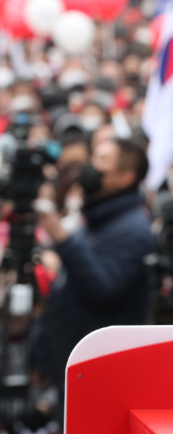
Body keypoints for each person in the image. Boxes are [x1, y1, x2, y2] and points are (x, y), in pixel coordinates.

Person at [32, 137, 154, 387]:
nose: (91, 167)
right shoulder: (98, 218)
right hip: (70, 360)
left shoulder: (133, 229)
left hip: (99, 369)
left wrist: (63, 239)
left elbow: (104, 287)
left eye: (102, 160)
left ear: (125, 177)